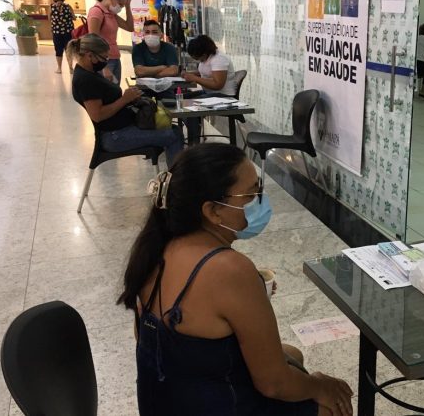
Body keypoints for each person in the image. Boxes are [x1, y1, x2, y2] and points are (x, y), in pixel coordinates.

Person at [117, 143, 353, 416]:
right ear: (213, 211)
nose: (260, 201)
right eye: (251, 194)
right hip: (207, 403)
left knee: (293, 354)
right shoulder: (230, 270)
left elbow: (155, 338)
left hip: (165, 396)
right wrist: (321, 386)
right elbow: (274, 383)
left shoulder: (156, 246)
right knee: (329, 406)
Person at [68, 34, 183, 167]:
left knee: (172, 128)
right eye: (103, 57)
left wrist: (130, 98)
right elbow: (98, 115)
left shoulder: (89, 73)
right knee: (173, 135)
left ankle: (175, 176)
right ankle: (176, 180)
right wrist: (124, 99)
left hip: (121, 128)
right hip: (115, 136)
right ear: (89, 55)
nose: (105, 61)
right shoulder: (85, 80)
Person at [87, 0, 134, 85]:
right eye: (120, 4)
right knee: (107, 94)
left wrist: (127, 6)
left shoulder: (111, 13)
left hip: (115, 57)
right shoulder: (96, 11)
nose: (120, 8)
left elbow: (130, 27)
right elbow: (93, 40)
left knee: (114, 92)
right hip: (104, 61)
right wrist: (103, 67)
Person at [50, 0, 75, 74]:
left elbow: (49, 18)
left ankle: (59, 69)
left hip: (57, 33)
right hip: (68, 32)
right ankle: (71, 69)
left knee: (58, 50)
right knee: (69, 50)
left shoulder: (51, 7)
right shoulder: (68, 6)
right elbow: (74, 18)